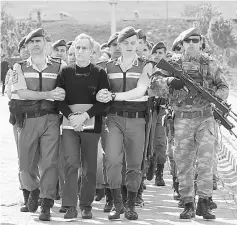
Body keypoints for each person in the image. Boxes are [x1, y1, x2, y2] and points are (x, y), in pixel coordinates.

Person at [150, 27, 229, 220]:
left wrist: (214, 97)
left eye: (195, 40)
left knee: (206, 161)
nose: (192, 44)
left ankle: (204, 202)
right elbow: (153, 84)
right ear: (182, 44)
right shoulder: (173, 63)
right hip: (182, 118)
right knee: (184, 162)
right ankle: (187, 203)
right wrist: (169, 81)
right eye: (188, 41)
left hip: (205, 118)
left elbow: (224, 86)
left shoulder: (209, 63)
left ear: (201, 43)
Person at [96, 26, 152, 220]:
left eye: (133, 42)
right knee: (112, 160)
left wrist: (113, 95)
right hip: (114, 119)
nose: (129, 46)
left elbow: (140, 91)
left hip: (137, 120)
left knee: (135, 164)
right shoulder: (107, 67)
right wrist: (102, 95)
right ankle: (117, 204)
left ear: (138, 44)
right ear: (118, 44)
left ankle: (130, 205)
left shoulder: (146, 65)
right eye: (125, 43)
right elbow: (99, 90)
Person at [10, 28, 66, 221]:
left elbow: (68, 90)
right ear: (26, 46)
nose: (35, 44)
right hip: (28, 120)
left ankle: (47, 204)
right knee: (26, 167)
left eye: (39, 40)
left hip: (51, 120)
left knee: (50, 164)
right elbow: (23, 93)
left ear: (46, 43)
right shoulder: (20, 67)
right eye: (31, 41)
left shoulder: (60, 66)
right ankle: (33, 189)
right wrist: (49, 95)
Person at [57, 33, 110, 220]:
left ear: (91, 51)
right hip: (70, 125)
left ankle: (86, 205)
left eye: (84, 48)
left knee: (89, 167)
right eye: (77, 48)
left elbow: (104, 102)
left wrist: (85, 116)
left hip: (92, 125)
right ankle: (70, 205)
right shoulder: (65, 72)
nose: (80, 51)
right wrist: (72, 117)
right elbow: (59, 100)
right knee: (71, 164)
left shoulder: (99, 73)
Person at [6, 36, 32, 213]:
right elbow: (11, 93)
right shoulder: (14, 71)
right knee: (23, 157)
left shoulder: (40, 69)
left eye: (27, 46)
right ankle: (27, 194)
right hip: (20, 118)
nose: (25, 50)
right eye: (22, 47)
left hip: (42, 117)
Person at [147, 41, 168, 187]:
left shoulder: (169, 71)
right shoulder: (147, 69)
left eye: (161, 53)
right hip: (148, 110)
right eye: (155, 52)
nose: (158, 55)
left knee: (160, 142)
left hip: (161, 110)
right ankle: (149, 166)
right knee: (148, 142)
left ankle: (159, 173)